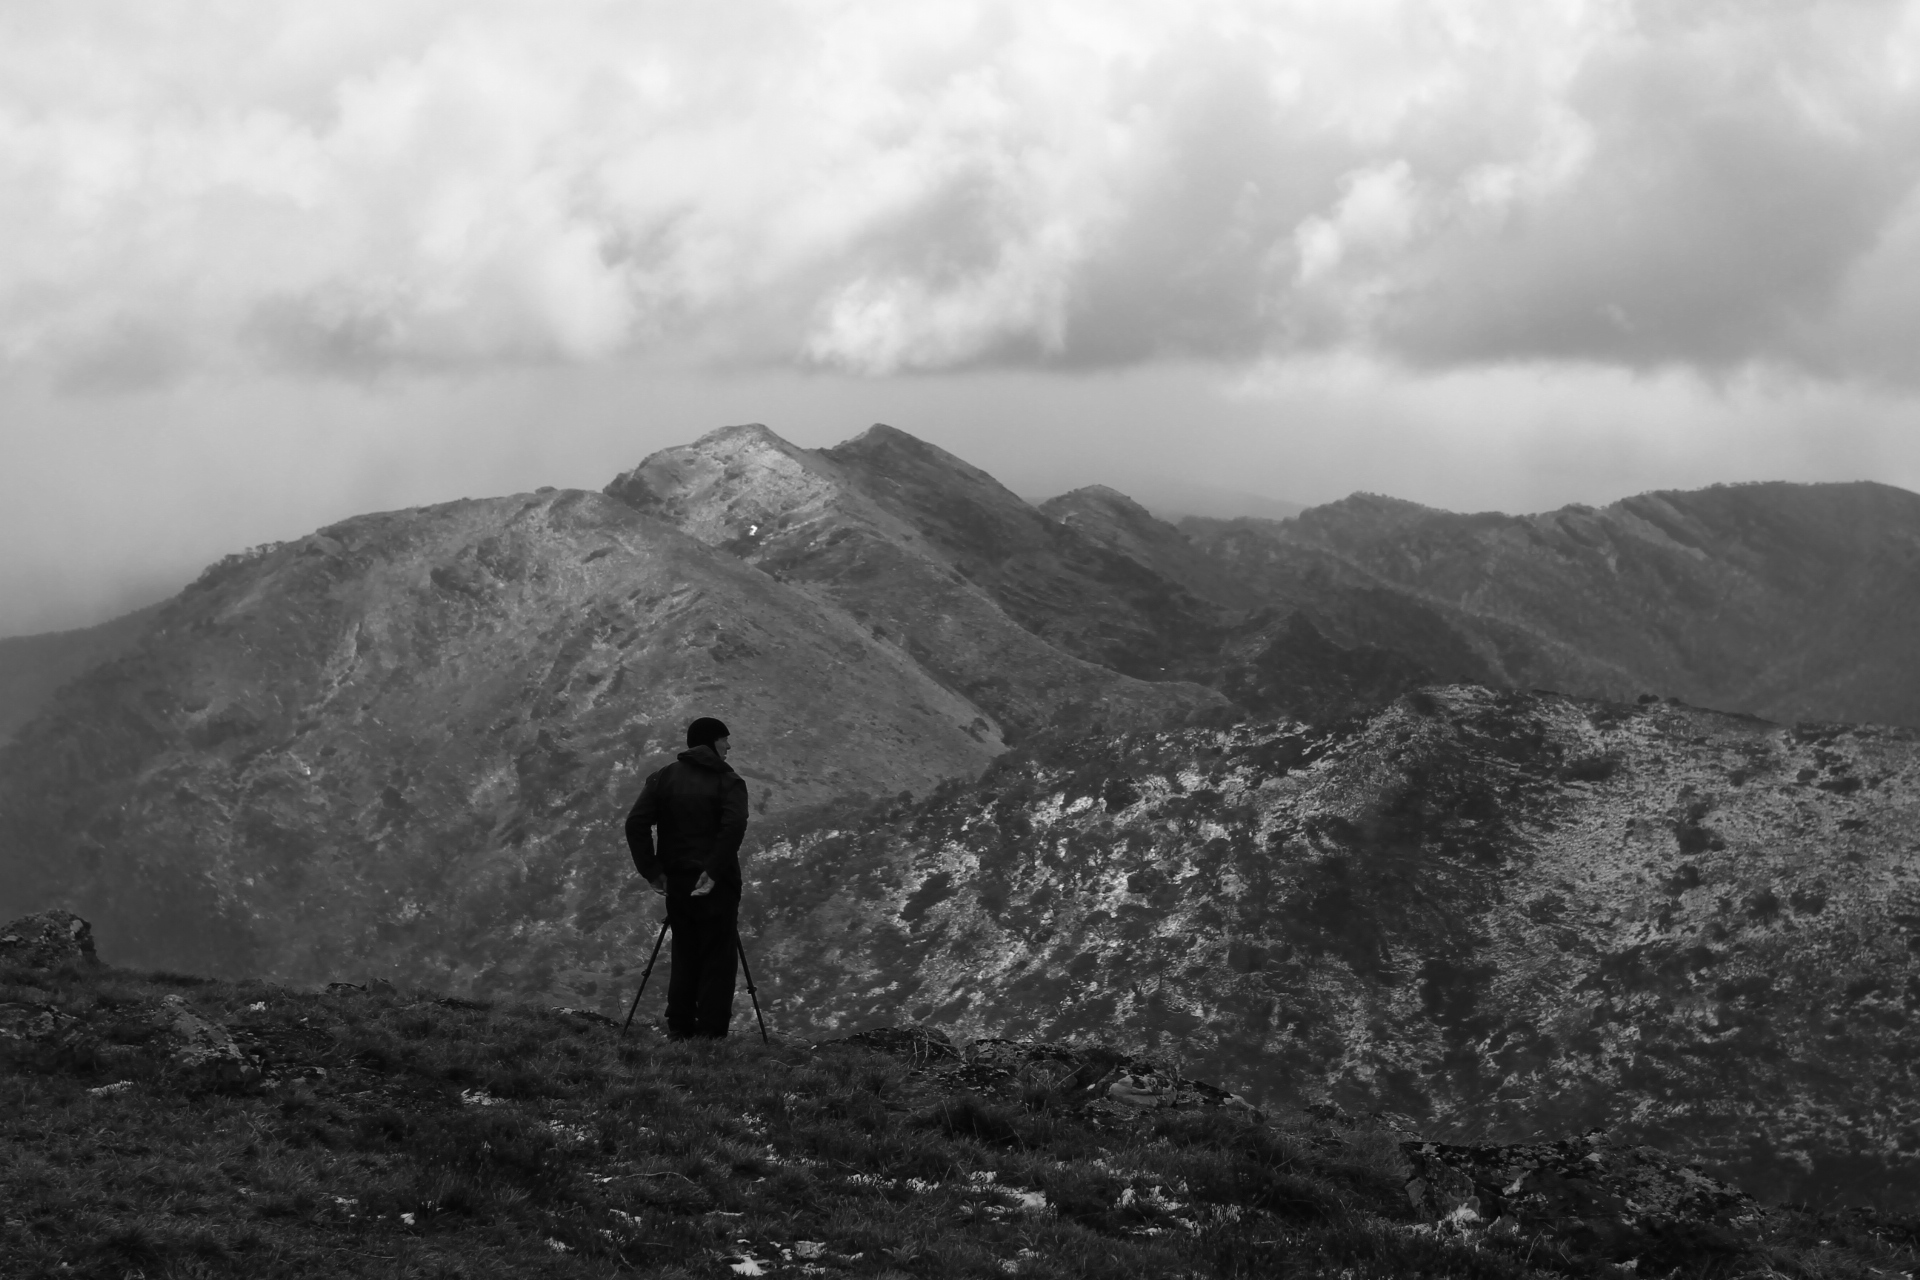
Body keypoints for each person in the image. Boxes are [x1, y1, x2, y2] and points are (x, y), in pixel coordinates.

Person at [624, 717, 750, 1039]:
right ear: (711, 742)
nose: (729, 746)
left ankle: (679, 1029)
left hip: (677, 881)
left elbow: (636, 823)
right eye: (725, 740)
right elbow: (733, 827)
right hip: (718, 884)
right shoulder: (729, 781)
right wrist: (714, 870)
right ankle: (709, 1035)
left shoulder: (663, 777)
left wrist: (653, 872)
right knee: (718, 958)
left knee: (684, 952)